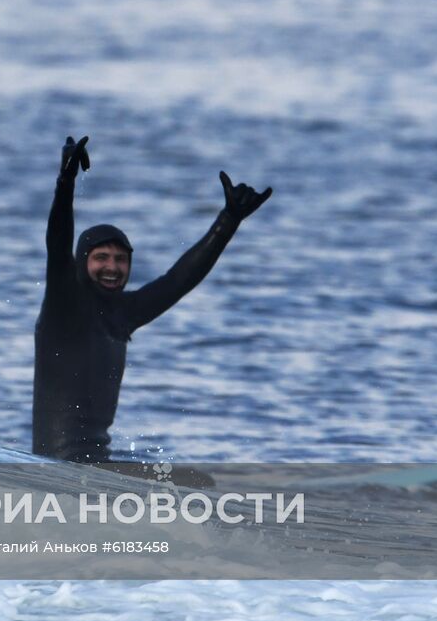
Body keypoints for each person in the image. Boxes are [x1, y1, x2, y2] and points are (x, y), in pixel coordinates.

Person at [33, 136, 270, 464]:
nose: (112, 268)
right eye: (101, 258)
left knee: (194, 483)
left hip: (95, 468)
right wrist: (66, 181)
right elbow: (57, 243)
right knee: (192, 489)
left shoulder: (122, 314)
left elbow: (177, 281)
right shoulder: (64, 306)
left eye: (121, 260)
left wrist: (227, 222)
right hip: (59, 470)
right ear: (81, 262)